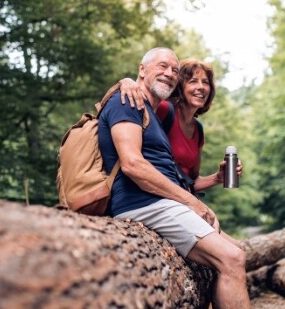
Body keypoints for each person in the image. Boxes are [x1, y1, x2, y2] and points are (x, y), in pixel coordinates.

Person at [98, 48, 250, 309]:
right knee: (232, 258)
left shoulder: (152, 111)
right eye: (162, 66)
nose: (169, 73)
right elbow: (133, 164)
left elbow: (184, 178)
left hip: (162, 201)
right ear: (142, 69)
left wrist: (214, 180)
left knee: (237, 254)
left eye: (174, 70)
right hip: (144, 201)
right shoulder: (130, 100)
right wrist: (193, 203)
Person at [118, 58, 242, 199]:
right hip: (148, 195)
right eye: (193, 81)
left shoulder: (198, 130)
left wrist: (219, 177)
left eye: (205, 82)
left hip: (179, 197)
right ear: (180, 86)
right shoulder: (164, 110)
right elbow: (138, 101)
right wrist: (126, 81)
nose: (201, 87)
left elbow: (188, 181)